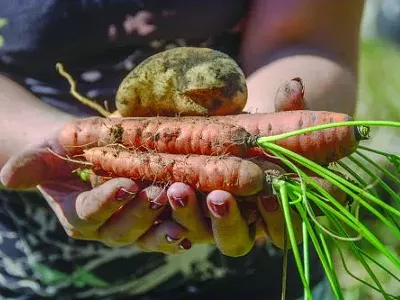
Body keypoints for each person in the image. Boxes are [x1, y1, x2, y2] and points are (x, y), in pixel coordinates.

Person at [0, 0, 364, 299]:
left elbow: (308, 37)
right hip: (34, 273)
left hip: (264, 266)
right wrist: (58, 145)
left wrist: (268, 136)